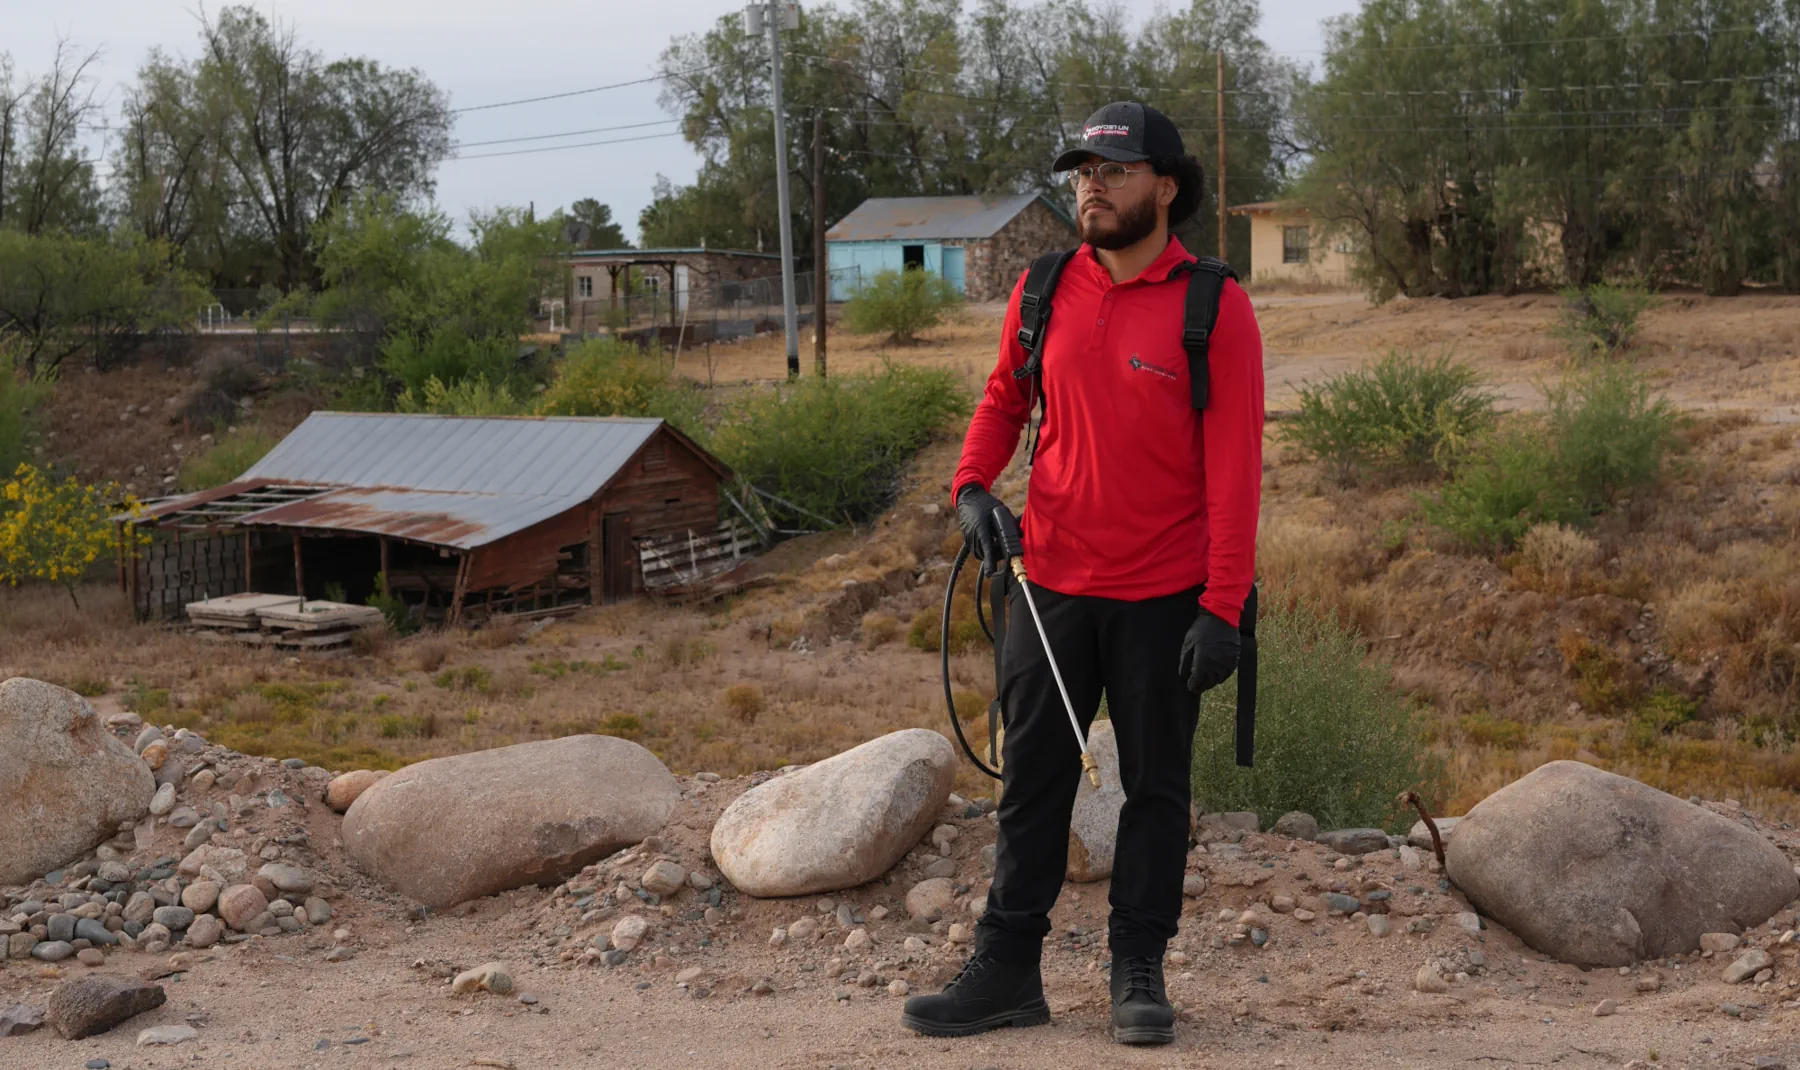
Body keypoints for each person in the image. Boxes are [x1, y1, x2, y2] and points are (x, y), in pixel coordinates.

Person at [900, 101, 1265, 1046]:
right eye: (1082, 172)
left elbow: (1234, 474)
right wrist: (971, 488)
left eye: (1115, 170)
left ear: (1166, 187)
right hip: (1049, 582)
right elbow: (1003, 399)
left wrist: (1222, 607)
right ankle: (1006, 970)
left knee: (1156, 791)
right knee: (1032, 783)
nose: (1091, 187)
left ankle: (1137, 969)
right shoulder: (1043, 289)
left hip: (1164, 596)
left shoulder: (1214, 307)